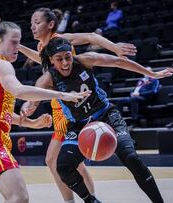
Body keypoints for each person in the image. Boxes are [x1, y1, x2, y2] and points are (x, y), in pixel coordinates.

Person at [23, 37, 173, 203]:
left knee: (131, 157)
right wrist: (29, 105)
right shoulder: (48, 78)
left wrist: (150, 73)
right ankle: (91, 200)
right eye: (60, 59)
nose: (66, 63)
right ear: (51, 60)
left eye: (68, 57)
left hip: (106, 115)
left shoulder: (85, 60)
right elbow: (33, 95)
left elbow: (118, 62)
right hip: (78, 125)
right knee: (63, 166)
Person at [0, 21, 89, 203]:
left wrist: (31, 123)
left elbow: (1, 113)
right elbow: (19, 91)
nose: (17, 47)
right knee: (19, 197)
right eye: (13, 42)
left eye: (19, 42)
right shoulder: (2, 65)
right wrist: (62, 94)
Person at [19, 8, 137, 202]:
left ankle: (78, 199)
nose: (32, 25)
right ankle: (89, 198)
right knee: (72, 163)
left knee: (54, 159)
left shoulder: (62, 39)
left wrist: (114, 47)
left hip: (70, 110)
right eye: (31, 22)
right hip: (59, 107)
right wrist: (19, 47)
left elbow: (91, 36)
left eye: (37, 21)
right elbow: (39, 58)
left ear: (50, 24)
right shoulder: (43, 47)